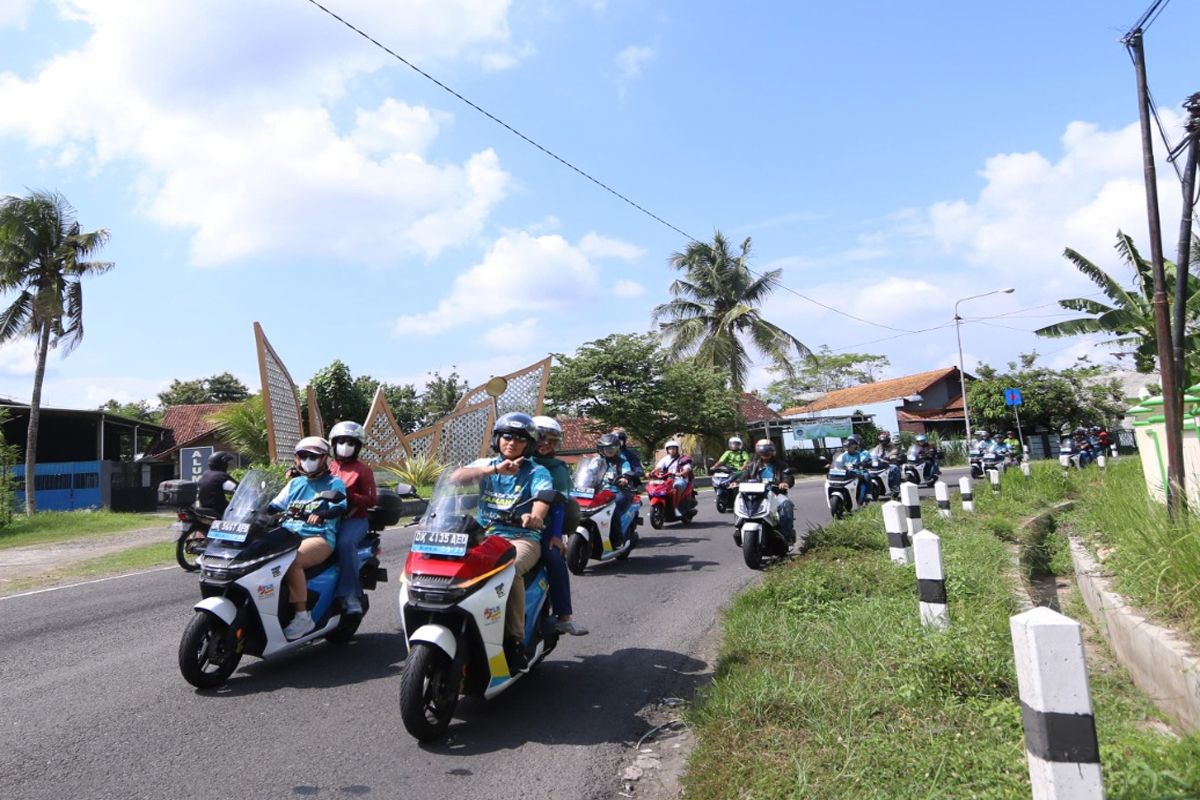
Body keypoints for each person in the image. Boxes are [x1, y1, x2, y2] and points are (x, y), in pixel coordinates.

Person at [449, 412, 552, 672]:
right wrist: (494, 469)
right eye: (507, 437)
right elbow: (455, 478)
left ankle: (515, 642)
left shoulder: (537, 471)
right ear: (498, 439)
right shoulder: (486, 464)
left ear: (528, 444)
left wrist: (535, 517)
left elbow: (542, 498)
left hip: (521, 538)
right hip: (483, 536)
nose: (512, 443)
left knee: (510, 568)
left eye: (519, 439)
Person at [269, 437, 348, 640]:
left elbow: (339, 506)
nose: (307, 460)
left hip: (319, 537)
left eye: (312, 456)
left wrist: (323, 513)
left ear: (323, 459)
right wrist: (256, 513)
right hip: (288, 535)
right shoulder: (295, 483)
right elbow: (274, 505)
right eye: (303, 455)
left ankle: (302, 616)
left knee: (292, 560)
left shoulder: (333, 483)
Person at [531, 415, 587, 636]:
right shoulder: (516, 461)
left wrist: (555, 535)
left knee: (554, 556)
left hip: (543, 526)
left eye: (551, 439)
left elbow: (559, 504)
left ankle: (564, 616)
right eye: (540, 437)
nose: (545, 443)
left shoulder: (557, 468)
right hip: (509, 523)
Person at [327, 420, 377, 617]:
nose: (345, 446)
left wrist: (349, 496)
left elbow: (372, 499)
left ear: (357, 447)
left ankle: (351, 595)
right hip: (326, 518)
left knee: (345, 544)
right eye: (341, 441)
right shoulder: (327, 466)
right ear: (333, 444)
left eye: (350, 443)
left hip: (354, 520)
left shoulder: (363, 470)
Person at [733, 439, 796, 545]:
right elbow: (744, 477)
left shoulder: (781, 465)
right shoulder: (752, 466)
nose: (765, 454)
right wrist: (736, 482)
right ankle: (738, 528)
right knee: (739, 501)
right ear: (758, 452)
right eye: (763, 452)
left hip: (775, 494)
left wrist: (785, 483)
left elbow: (788, 476)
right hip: (755, 495)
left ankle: (787, 535)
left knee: (786, 503)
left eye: (768, 451)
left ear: (772, 452)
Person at [597, 432, 639, 547]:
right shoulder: (597, 462)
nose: (609, 450)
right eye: (607, 448)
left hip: (619, 492)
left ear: (617, 448)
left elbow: (627, 471)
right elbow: (588, 472)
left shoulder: (622, 462)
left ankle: (617, 538)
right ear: (601, 449)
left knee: (612, 506)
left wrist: (625, 478)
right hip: (599, 493)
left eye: (612, 447)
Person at [653, 439, 695, 511]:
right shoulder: (665, 459)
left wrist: (681, 473)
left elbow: (687, 468)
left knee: (677, 486)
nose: (672, 450)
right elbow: (658, 467)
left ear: (677, 449)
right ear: (667, 450)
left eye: (674, 448)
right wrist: (652, 472)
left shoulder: (683, 459)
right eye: (670, 448)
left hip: (680, 479)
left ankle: (676, 507)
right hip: (668, 480)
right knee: (656, 486)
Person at [832, 434, 872, 505]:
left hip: (858, 472)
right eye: (846, 447)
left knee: (866, 475)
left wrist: (863, 463)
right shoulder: (843, 455)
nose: (848, 448)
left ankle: (868, 494)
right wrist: (833, 466)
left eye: (850, 446)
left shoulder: (860, 454)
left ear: (855, 446)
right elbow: (838, 463)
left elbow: (864, 460)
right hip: (847, 473)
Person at [196, 451, 238, 516]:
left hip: (204, 507)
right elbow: (238, 488)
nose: (227, 465)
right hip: (218, 509)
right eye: (226, 463)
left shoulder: (206, 474)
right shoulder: (221, 476)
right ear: (222, 464)